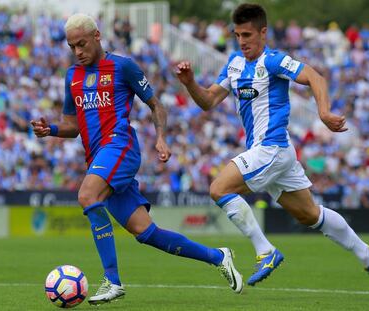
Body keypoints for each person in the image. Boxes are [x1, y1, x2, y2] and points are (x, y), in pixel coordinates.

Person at [31, 13, 243, 305]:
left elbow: (156, 105)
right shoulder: (72, 77)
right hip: (98, 156)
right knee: (145, 231)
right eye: (72, 47)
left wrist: (161, 137)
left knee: (88, 194)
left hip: (120, 146)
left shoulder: (123, 67)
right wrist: (51, 129)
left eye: (81, 44)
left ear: (97, 37)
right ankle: (218, 256)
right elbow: (74, 125)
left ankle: (112, 280)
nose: (78, 51)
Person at [176, 3, 369, 286]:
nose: (242, 42)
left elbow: (315, 77)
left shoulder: (274, 61)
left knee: (218, 188)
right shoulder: (234, 63)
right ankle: (366, 255)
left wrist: (324, 112)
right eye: (238, 35)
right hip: (275, 153)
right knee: (310, 215)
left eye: (248, 35)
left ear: (263, 33)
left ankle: (265, 250)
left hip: (272, 147)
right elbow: (208, 101)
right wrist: (190, 83)